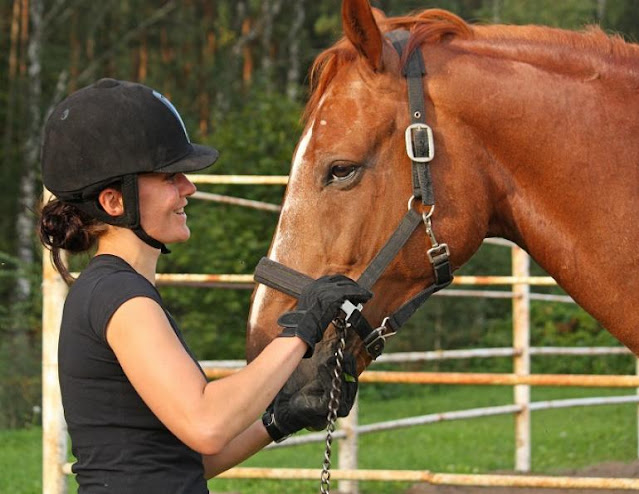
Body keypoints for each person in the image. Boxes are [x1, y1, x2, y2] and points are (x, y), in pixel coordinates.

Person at [38, 78, 372, 493]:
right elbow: (206, 424)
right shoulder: (121, 297)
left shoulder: (109, 290)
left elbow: (184, 462)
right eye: (169, 177)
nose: (188, 188)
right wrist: (301, 330)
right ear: (114, 202)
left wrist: (282, 417)